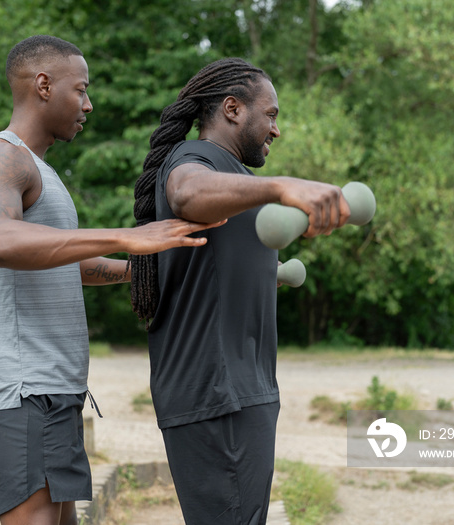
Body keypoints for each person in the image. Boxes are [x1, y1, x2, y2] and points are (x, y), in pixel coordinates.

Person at [0, 35, 223, 525]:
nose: (89, 103)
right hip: (23, 386)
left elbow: (60, 259)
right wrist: (127, 236)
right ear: (43, 85)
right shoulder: (1, 158)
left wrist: (147, 270)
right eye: (80, 90)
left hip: (54, 386)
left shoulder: (39, 170)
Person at [130, 57, 351, 524]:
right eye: (270, 115)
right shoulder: (196, 159)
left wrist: (270, 273)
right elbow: (188, 193)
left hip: (241, 389)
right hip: (216, 392)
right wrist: (283, 187)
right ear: (232, 109)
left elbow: (210, 268)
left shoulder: (238, 180)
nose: (276, 130)